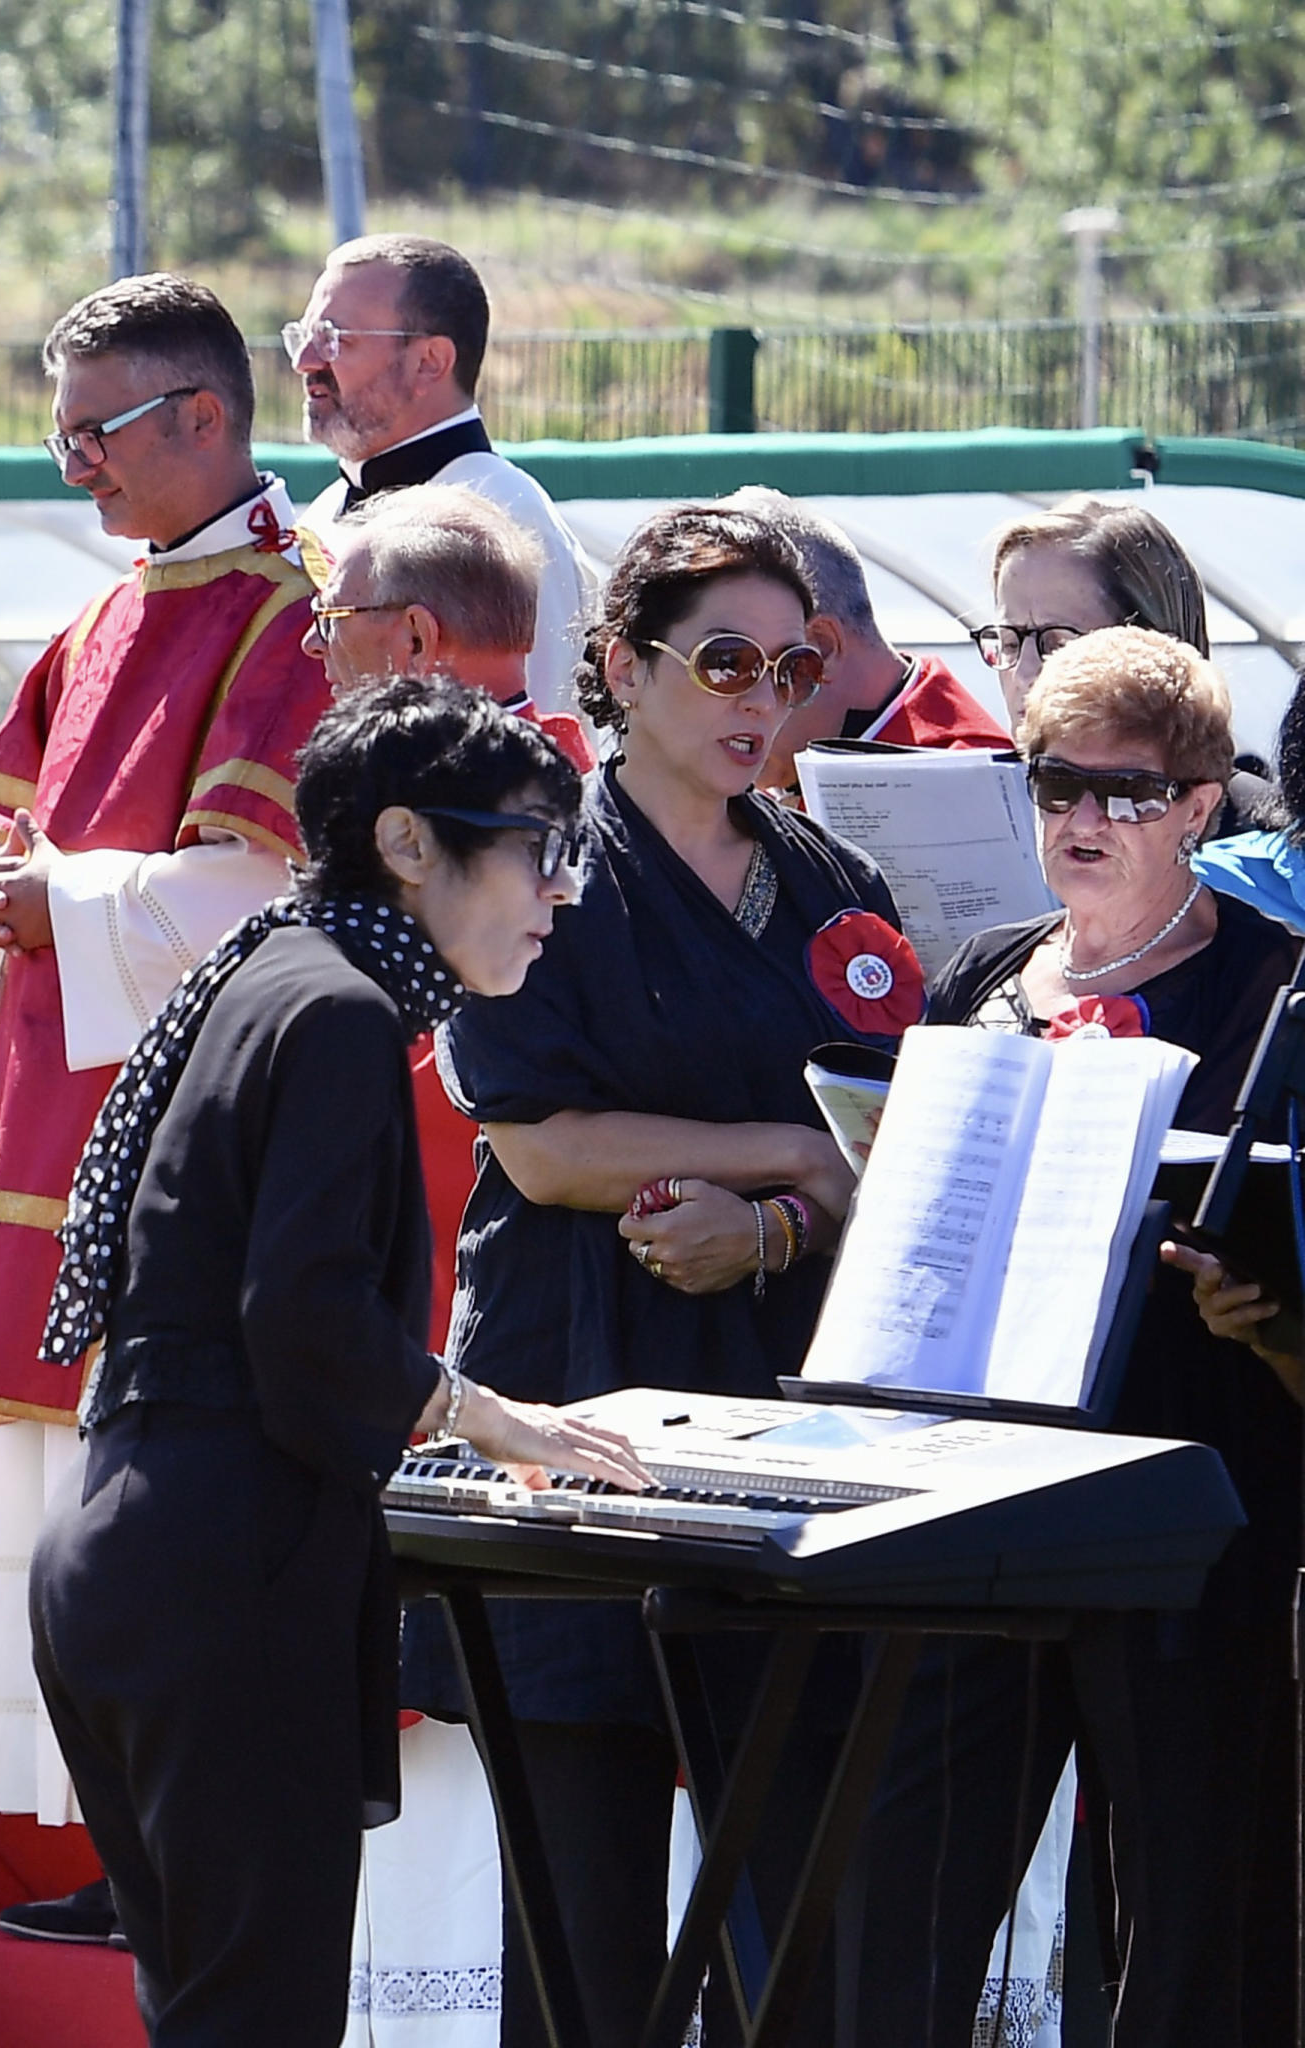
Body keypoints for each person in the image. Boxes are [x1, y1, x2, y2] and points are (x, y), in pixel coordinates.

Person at [29, 675, 650, 2046]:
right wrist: (489, 1414)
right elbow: (302, 1318)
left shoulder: (274, 967)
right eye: (539, 848)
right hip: (219, 1560)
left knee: (212, 2012)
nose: (561, 893)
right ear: (409, 843)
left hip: (130, 1537)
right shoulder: (340, 1009)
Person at [423, 504, 913, 2046]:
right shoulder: (529, 858)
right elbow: (543, 1148)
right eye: (722, 662)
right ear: (625, 668)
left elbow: (893, 1161)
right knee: (583, 1934)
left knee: (799, 1924)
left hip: (788, 1431)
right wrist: (793, 1152)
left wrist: (770, 1225)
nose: (764, 697)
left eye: (793, 666)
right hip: (579, 1408)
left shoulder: (840, 886)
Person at [0, 273, 330, 1916]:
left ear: (205, 418)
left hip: (190, 1142)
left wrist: (66, 903)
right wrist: (6, 891)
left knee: (165, 1488)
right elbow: (1, 831)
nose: (73, 465)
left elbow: (265, 886)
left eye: (96, 433)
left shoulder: (295, 616)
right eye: (61, 436)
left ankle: (187, 1853)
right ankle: (116, 1838)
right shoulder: (103, 621)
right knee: (73, 1498)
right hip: (59, 1106)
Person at [867, 629, 1303, 2048]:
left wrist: (1269, 1308)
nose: (1085, 818)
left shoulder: (1275, 984)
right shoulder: (980, 976)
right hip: (986, 1492)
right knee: (910, 1886)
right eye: (1057, 784)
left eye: (1129, 791)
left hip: (1193, 1488)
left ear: (1199, 805)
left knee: (1187, 1905)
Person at [291, 235, 594, 714]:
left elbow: (540, 724)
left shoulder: (508, 519)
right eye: (303, 336)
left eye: (333, 338)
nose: (304, 361)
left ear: (429, 362)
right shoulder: (323, 511)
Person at [981, 496, 1281, 834]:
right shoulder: (975, 821)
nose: (1024, 674)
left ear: (1157, 650)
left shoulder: (1261, 843)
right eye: (1009, 642)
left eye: (1060, 645)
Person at [724, 485, 1012, 784]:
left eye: (734, 663)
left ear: (820, 649)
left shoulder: (966, 779)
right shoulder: (790, 765)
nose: (714, 701)